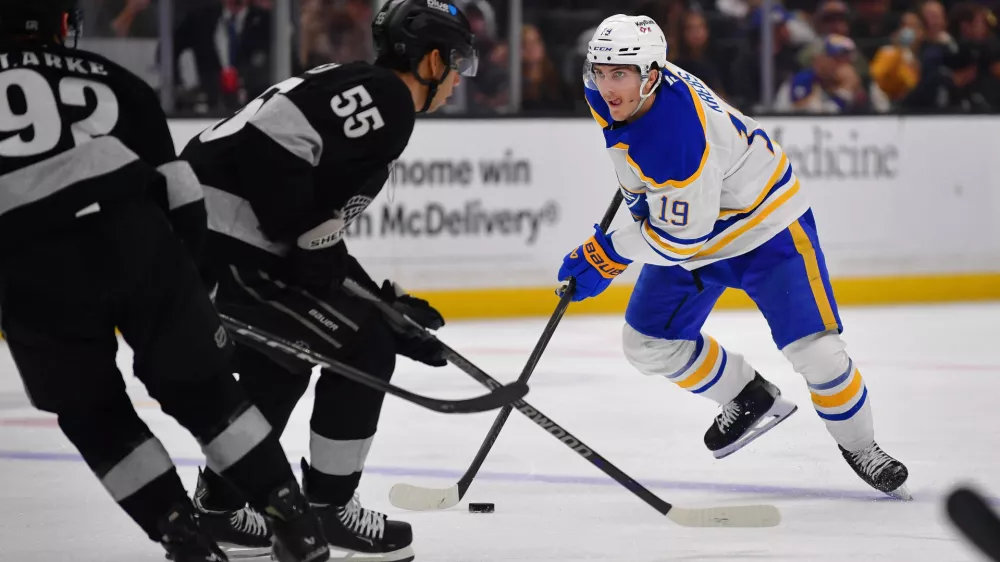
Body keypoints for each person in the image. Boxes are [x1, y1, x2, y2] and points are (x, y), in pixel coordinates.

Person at [0, 2, 329, 562]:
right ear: (61, 24)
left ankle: (183, 537)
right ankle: (296, 522)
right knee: (205, 390)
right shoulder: (114, 78)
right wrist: (192, 283)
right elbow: (181, 192)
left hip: (29, 264)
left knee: (94, 412)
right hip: (137, 241)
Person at [562, 14, 910, 499]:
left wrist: (607, 253)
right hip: (695, 222)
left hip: (765, 227)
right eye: (599, 71)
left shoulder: (680, 134)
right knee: (647, 343)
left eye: (619, 74)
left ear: (652, 76)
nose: (606, 86)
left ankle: (863, 447)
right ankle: (748, 395)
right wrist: (638, 197)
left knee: (819, 354)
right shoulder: (611, 94)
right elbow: (633, 156)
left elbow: (681, 239)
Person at [179, 0, 478, 559]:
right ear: (433, 61)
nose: (459, 79)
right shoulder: (389, 99)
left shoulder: (362, 89)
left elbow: (316, 235)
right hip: (225, 239)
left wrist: (382, 301)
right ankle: (329, 509)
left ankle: (221, 506)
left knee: (282, 362)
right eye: (457, 63)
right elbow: (274, 152)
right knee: (364, 346)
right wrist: (363, 306)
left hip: (207, 234)